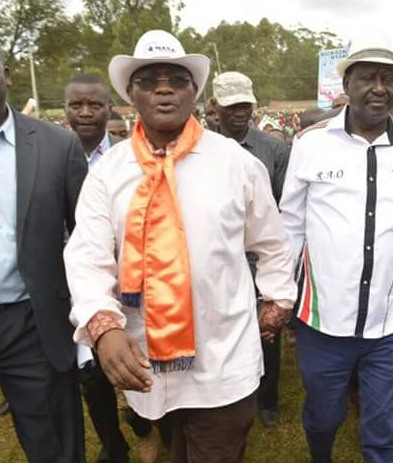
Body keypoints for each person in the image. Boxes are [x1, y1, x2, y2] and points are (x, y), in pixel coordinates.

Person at [64, 29, 297, 463]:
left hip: (222, 356)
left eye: (177, 79)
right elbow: (87, 257)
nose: (165, 88)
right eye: (150, 79)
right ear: (131, 94)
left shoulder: (236, 163)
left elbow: (273, 241)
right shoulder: (109, 173)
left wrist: (277, 299)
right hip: (144, 359)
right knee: (175, 449)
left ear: (195, 93)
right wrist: (104, 325)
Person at [279, 37, 393, 463]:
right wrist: (280, 294)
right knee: (324, 417)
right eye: (368, 79)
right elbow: (291, 225)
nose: (379, 88)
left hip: (391, 321)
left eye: (388, 80)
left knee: (385, 429)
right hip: (323, 320)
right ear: (347, 86)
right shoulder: (311, 143)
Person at [0, 47, 88, 463]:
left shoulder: (58, 146)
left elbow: (88, 240)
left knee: (51, 440)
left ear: (7, 74)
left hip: (30, 320)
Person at [213, 70, 290, 428]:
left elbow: (284, 206)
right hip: (220, 258)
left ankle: (268, 399)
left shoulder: (273, 149)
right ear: (215, 107)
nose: (239, 112)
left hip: (261, 255)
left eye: (245, 104)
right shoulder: (201, 148)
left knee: (267, 328)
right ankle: (225, 391)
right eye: (231, 106)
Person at [64, 73, 131, 463]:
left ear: (110, 108)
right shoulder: (52, 153)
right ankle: (113, 443)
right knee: (90, 374)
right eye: (76, 105)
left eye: (95, 105)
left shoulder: (129, 157)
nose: (86, 113)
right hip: (73, 283)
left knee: (136, 364)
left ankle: (144, 422)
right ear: (66, 109)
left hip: (128, 280)